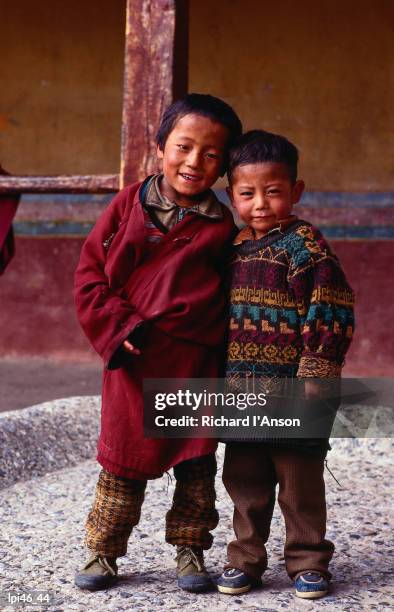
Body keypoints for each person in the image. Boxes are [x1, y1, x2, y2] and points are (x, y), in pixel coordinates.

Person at [73, 93, 242, 592]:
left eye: (212, 155)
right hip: (136, 355)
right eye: (184, 146)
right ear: (161, 145)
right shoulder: (128, 205)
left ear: (225, 165)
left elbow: (233, 292)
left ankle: (190, 552)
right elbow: (89, 277)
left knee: (195, 464)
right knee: (123, 463)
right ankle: (103, 552)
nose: (195, 162)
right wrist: (118, 329)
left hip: (194, 360)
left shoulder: (221, 225)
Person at [216, 130, 355, 599]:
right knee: (244, 481)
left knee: (299, 483)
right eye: (247, 193)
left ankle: (308, 560)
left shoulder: (306, 249)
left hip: (297, 392)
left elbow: (331, 310)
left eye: (273, 192)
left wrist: (316, 371)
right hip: (244, 395)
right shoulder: (233, 252)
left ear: (295, 191)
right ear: (231, 194)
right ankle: (246, 559)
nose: (260, 204)